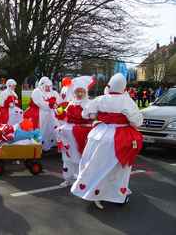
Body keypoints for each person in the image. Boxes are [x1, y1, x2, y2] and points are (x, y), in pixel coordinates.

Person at [70, 73, 143, 209]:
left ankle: (92, 190)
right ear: (124, 87)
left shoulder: (100, 99)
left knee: (94, 164)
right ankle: (115, 195)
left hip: (98, 135)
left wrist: (98, 115)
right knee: (118, 169)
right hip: (120, 137)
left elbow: (85, 114)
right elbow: (137, 121)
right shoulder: (127, 101)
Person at [58, 76, 94, 188]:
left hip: (80, 135)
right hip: (68, 134)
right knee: (67, 157)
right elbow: (65, 117)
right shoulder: (71, 103)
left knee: (79, 158)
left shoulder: (89, 103)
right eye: (77, 91)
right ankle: (67, 178)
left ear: (85, 92)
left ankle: (80, 180)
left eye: (81, 91)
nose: (79, 94)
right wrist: (60, 113)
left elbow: (91, 117)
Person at [24, 76, 61, 151]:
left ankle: (53, 144)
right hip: (39, 114)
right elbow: (40, 103)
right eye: (46, 86)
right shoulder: (37, 92)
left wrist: (57, 106)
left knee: (52, 128)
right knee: (41, 129)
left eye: (49, 86)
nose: (48, 88)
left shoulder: (53, 92)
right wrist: (50, 104)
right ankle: (38, 146)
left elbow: (58, 102)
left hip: (50, 115)